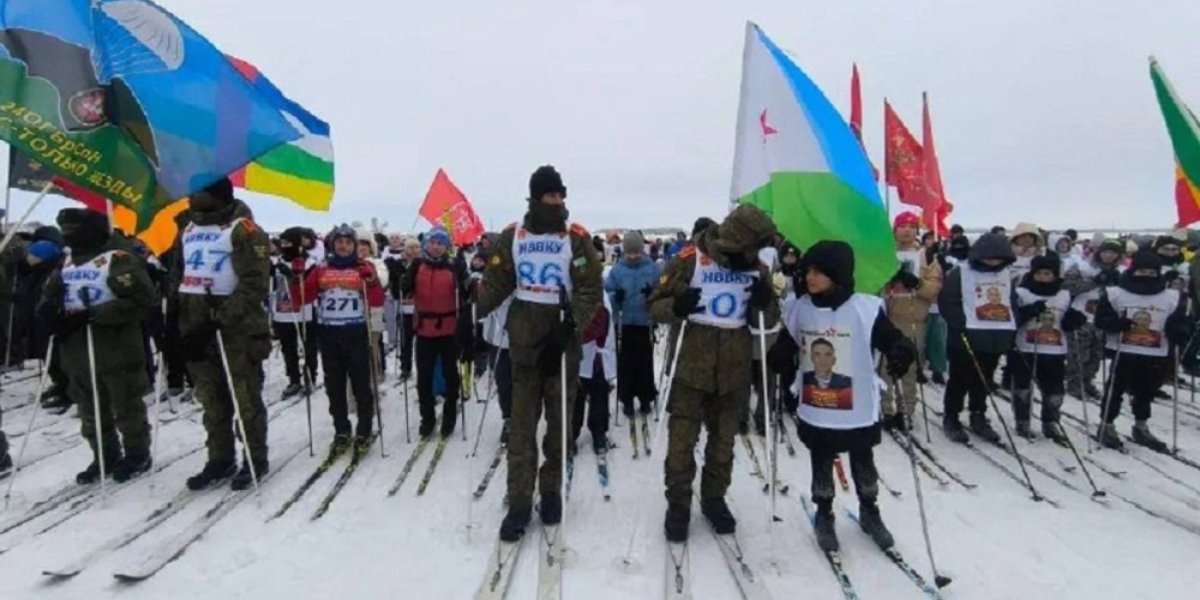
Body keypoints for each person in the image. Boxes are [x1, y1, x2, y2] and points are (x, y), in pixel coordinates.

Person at [477, 165, 603, 542]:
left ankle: (550, 492)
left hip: (561, 340)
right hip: (524, 340)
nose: (558, 200)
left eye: (561, 194)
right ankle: (518, 501)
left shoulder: (575, 238)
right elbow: (498, 282)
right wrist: (475, 314)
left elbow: (589, 289)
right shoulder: (512, 235)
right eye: (551, 195)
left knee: (560, 423)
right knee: (521, 424)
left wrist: (570, 328)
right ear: (536, 196)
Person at [767, 240, 915, 552]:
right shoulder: (800, 307)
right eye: (808, 270)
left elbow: (890, 338)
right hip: (818, 404)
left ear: (838, 273)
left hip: (857, 405)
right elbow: (788, 342)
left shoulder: (865, 308)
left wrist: (901, 350)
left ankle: (870, 509)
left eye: (819, 272)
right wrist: (778, 357)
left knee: (862, 458)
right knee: (821, 456)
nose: (810, 277)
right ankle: (824, 511)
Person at [648, 204, 778, 542]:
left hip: (733, 372)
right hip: (691, 368)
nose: (753, 252)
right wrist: (677, 306)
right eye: (751, 245)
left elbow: (766, 320)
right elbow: (654, 305)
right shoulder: (690, 260)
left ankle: (714, 498)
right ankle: (678, 504)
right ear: (737, 238)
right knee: (681, 444)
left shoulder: (756, 269)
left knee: (723, 444)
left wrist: (763, 302)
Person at [40, 208, 156, 484]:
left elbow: (142, 300)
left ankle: (137, 453)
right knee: (89, 404)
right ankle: (104, 454)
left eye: (74, 231)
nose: (69, 236)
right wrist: (49, 313)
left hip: (115, 346)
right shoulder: (67, 261)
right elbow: (51, 293)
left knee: (125, 402)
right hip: (78, 347)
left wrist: (96, 313)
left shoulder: (118, 259)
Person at [172, 178, 273, 491]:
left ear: (215, 196)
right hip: (196, 326)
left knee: (244, 398)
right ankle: (220, 457)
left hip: (236, 331)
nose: (190, 196)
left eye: (197, 192)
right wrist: (174, 320)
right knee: (211, 398)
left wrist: (220, 317)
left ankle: (255, 457)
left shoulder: (244, 230)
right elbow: (178, 274)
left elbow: (254, 283)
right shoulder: (186, 228)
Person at [1094, 250, 1190, 452]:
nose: (1146, 275)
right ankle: (1107, 424)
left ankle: (1141, 425)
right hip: (1124, 349)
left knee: (1146, 391)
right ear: (1133, 270)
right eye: (1141, 271)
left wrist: (1179, 331)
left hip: (1154, 351)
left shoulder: (1170, 297)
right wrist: (1117, 324)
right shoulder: (1115, 293)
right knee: (1115, 389)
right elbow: (1101, 320)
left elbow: (1180, 322)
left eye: (1151, 272)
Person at [304, 225, 385, 453]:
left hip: (356, 331)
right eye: (339, 242)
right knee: (334, 385)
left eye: (348, 242)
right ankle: (341, 430)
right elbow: (303, 297)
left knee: (361, 384)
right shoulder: (321, 269)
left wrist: (371, 281)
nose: (343, 246)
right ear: (332, 244)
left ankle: (364, 430)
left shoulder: (363, 267)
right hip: (329, 332)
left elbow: (377, 300)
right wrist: (298, 276)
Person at [937, 232, 1016, 444]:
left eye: (998, 259)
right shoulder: (961, 273)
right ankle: (951, 416)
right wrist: (961, 323)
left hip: (993, 338)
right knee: (959, 379)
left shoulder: (1006, 275)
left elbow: (1011, 303)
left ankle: (978, 414)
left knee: (983, 379)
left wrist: (1011, 328)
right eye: (990, 258)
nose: (994, 262)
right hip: (965, 336)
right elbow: (947, 301)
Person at [1011, 254, 1087, 442]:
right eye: (1040, 273)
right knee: (1023, 388)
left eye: (1048, 273)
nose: (1044, 277)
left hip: (1054, 350)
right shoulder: (1022, 293)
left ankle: (1050, 421)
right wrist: (1029, 311)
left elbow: (1069, 320)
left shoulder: (1064, 295)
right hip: (1025, 347)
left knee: (1054, 390)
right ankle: (1022, 420)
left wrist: (1074, 320)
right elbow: (1014, 319)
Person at [400, 226, 467, 438]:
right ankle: (427, 419)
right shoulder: (419, 265)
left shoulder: (452, 266)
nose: (436, 246)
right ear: (426, 244)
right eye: (433, 242)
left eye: (440, 243)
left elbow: (464, 294)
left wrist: (464, 274)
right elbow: (402, 289)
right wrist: (406, 272)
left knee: (451, 376)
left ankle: (449, 418)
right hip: (424, 330)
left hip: (448, 329)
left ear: (446, 246)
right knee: (424, 379)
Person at [880, 212, 942, 431]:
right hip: (887, 315)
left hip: (913, 317)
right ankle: (886, 409)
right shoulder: (885, 251)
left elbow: (934, 289)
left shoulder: (926, 257)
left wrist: (917, 283)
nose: (906, 230)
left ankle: (906, 410)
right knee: (884, 368)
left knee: (908, 366)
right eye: (902, 226)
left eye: (911, 226)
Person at [605, 231, 661, 420]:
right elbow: (607, 294)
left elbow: (661, 290)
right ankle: (626, 398)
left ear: (642, 250)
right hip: (624, 321)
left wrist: (653, 294)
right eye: (629, 253)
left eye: (636, 252)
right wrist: (616, 298)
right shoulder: (617, 270)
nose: (633, 256)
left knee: (645, 362)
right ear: (624, 252)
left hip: (645, 321)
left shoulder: (652, 268)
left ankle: (646, 397)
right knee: (626, 363)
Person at [1063, 238, 1124, 399]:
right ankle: (1074, 383)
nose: (1109, 256)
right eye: (1105, 252)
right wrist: (1095, 282)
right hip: (1082, 314)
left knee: (1096, 355)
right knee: (1078, 353)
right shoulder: (1084, 267)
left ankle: (1087, 381)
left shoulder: (1122, 271)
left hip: (1104, 318)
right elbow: (1067, 285)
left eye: (1113, 253)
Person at [271, 227, 320, 399]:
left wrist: (291, 275)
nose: (284, 246)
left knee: (308, 346)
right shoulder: (277, 262)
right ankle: (293, 379)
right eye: (282, 243)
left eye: (288, 243)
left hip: (304, 312)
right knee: (288, 348)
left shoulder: (309, 263)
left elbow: (309, 284)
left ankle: (310, 376)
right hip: (282, 311)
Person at [572, 295, 614, 453]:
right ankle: (571, 433)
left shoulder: (600, 298)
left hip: (597, 358)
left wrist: (572, 331)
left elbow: (598, 326)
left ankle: (599, 432)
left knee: (598, 396)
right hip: (576, 357)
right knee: (575, 397)